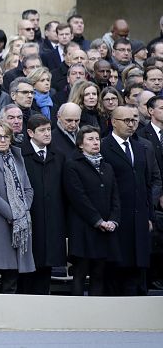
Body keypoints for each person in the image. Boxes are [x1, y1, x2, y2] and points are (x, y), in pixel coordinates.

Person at [99, 105, 155, 295]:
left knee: (137, 268)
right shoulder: (104, 146)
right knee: (116, 269)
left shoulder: (140, 147)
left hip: (138, 217)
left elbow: (146, 183)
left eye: (134, 120)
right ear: (114, 122)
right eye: (127, 121)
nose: (132, 124)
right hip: (116, 218)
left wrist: (149, 216)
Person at [63, 125, 120, 296]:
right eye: (90, 139)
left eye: (97, 139)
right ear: (80, 144)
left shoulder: (107, 166)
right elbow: (78, 197)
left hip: (105, 230)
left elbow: (115, 196)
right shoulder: (73, 165)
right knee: (80, 272)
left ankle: (96, 315)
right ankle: (76, 316)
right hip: (83, 228)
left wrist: (114, 220)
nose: (95, 143)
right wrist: (98, 221)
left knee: (98, 273)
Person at [0, 121, 35, 293]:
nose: (2, 140)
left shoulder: (17, 159)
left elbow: (28, 189)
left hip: (19, 225)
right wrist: (13, 215)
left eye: (6, 136)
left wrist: (23, 211)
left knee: (12, 276)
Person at [19, 114, 67, 294]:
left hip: (52, 219)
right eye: (42, 130)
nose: (47, 134)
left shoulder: (58, 156)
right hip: (29, 218)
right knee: (27, 266)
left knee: (46, 265)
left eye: (49, 129)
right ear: (30, 132)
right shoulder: (20, 155)